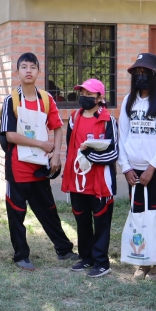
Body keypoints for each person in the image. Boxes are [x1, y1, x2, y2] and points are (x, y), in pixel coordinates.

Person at [0, 53, 78, 270]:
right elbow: (10, 135)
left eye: (32, 67)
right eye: (23, 67)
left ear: (38, 72)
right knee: (16, 213)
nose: (28, 71)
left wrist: (57, 154)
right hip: (17, 168)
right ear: (17, 72)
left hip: (40, 167)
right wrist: (41, 144)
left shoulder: (46, 99)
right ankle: (21, 256)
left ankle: (64, 250)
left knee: (49, 210)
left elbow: (57, 127)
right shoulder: (11, 100)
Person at [118, 52, 156, 280]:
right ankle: (142, 261)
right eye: (136, 73)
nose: (140, 77)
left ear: (154, 75)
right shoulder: (128, 100)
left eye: (144, 73)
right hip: (134, 169)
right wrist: (126, 167)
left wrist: (152, 168)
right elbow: (122, 137)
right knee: (138, 214)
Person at [61, 79, 120, 278]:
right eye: (82, 93)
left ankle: (102, 262)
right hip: (78, 180)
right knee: (82, 219)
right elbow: (71, 147)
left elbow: (114, 153)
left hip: (101, 181)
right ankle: (86, 258)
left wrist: (91, 156)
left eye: (89, 94)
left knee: (101, 221)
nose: (84, 97)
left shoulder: (108, 120)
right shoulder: (73, 117)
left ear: (100, 97)